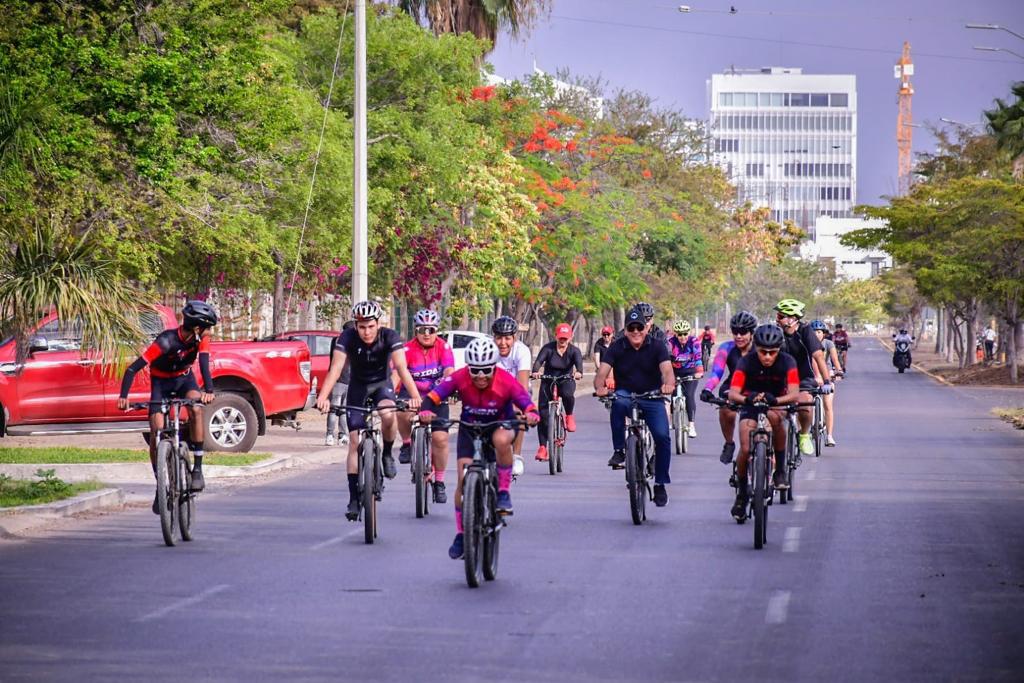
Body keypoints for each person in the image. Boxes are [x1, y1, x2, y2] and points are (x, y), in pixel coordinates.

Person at [419, 338, 540, 560]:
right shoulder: (460, 376)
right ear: (468, 368)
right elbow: (434, 396)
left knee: (502, 440)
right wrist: (426, 411)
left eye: (486, 370)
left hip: (500, 424)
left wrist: (532, 413)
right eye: (475, 371)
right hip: (469, 428)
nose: (481, 376)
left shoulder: (505, 380)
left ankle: (503, 492)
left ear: (494, 366)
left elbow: (526, 402)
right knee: (463, 481)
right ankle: (461, 534)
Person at [315, 300, 421, 522]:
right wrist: (323, 397)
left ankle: (386, 453)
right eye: (361, 327)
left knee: (388, 414)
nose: (366, 331)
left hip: (382, 386)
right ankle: (354, 498)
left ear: (378, 323)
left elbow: (401, 369)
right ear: (355, 325)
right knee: (354, 441)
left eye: (371, 326)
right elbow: (336, 368)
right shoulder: (346, 338)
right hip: (358, 388)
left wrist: (415, 397)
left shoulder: (390, 336)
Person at [117, 301, 218, 508]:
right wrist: (123, 396)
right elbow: (132, 369)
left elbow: (205, 366)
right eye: (207, 327)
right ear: (197, 327)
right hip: (161, 382)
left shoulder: (202, 340)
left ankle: (197, 468)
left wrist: (209, 391)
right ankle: (160, 487)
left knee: (196, 409)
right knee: (156, 431)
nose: (209, 332)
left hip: (184, 379)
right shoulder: (165, 341)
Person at [594, 306, 675, 507]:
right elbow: (602, 372)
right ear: (626, 329)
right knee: (617, 404)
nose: (636, 331)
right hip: (626, 394)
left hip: (652, 396)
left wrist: (668, 384)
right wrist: (599, 387)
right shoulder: (616, 347)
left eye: (640, 327)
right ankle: (619, 450)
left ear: (646, 328)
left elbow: (667, 370)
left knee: (663, 438)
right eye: (632, 328)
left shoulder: (657, 346)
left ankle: (660, 483)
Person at [726, 323, 800, 521]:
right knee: (744, 447)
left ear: (779, 350)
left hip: (776, 402)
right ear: (755, 348)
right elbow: (733, 393)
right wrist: (745, 399)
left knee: (777, 420)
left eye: (772, 352)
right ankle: (742, 493)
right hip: (751, 403)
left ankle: (781, 470)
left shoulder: (788, 361)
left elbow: (794, 393)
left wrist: (776, 400)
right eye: (762, 352)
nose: (767, 357)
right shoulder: (746, 362)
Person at [393, 309, 454, 504]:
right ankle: (406, 443)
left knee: (441, 439)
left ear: (436, 330)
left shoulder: (444, 347)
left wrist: (448, 387)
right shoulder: (407, 350)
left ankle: (440, 481)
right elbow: (396, 374)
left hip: (436, 395)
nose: (426, 333)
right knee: (402, 412)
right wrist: (390, 394)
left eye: (430, 329)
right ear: (415, 331)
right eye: (421, 330)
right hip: (411, 394)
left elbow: (449, 371)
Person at [700, 310, 757, 465]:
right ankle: (729, 443)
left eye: (743, 332)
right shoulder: (726, 347)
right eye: (735, 332)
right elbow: (716, 373)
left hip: (757, 388)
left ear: (752, 333)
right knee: (726, 409)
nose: (738, 336)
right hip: (733, 387)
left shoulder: (761, 349)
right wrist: (707, 389)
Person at [775, 298, 830, 456]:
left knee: (805, 403)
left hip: (802, 378)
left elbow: (819, 357)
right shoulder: (775, 332)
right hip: (780, 378)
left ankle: (804, 434)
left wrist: (826, 381)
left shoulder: (805, 332)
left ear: (792, 319)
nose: (776, 319)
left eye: (780, 316)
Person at [531, 322, 584, 461]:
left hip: (566, 379)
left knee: (567, 394)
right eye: (560, 338)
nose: (562, 341)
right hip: (548, 380)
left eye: (565, 338)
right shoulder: (548, 348)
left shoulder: (574, 351)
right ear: (556, 336)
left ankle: (569, 416)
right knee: (542, 414)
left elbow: (579, 366)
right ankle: (542, 448)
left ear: (570, 338)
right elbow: (538, 361)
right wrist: (536, 371)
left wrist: (578, 372)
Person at [492, 316, 532, 476]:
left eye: (507, 338)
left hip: (518, 389)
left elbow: (522, 386)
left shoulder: (522, 351)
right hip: (495, 390)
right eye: (499, 338)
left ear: (514, 338)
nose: (503, 343)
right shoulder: (490, 350)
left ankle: (516, 456)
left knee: (519, 413)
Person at [666, 319, 703, 439]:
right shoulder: (670, 342)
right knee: (673, 394)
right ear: (675, 334)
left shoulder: (694, 341)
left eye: (685, 334)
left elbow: (698, 357)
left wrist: (699, 371)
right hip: (674, 372)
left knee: (689, 395)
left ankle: (691, 425)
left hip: (690, 372)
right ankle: (672, 419)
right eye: (680, 334)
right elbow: (665, 359)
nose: (682, 337)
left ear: (689, 333)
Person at [810, 320, 841, 447]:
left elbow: (834, 359)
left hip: (827, 375)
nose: (817, 334)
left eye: (819, 332)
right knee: (804, 405)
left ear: (824, 333)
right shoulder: (807, 344)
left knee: (828, 405)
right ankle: (803, 432)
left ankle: (829, 436)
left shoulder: (829, 344)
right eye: (814, 332)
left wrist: (838, 371)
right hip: (810, 375)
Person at [325, 320, 355, 447]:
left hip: (337, 379)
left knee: (335, 409)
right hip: (347, 379)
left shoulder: (336, 341)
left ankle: (330, 435)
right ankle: (341, 435)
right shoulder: (351, 342)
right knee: (342, 409)